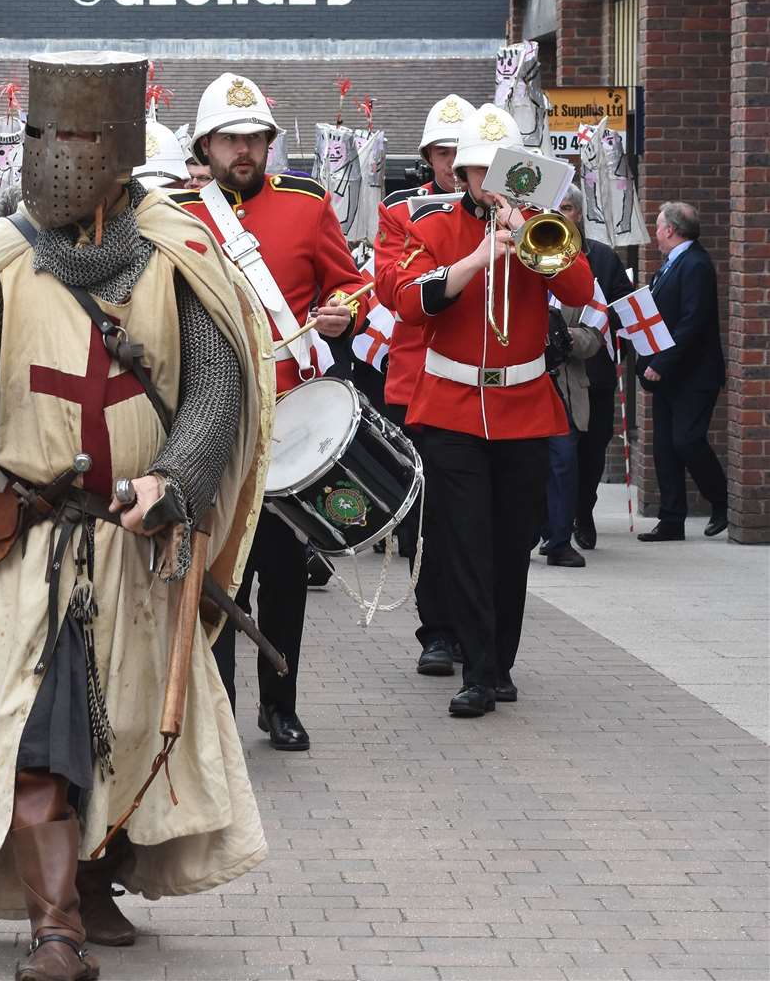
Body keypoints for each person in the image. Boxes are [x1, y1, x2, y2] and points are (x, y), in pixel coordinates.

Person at [0, 51, 269, 981]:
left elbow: (216, 394)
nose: (61, 156)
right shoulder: (3, 256)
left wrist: (175, 478)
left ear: (120, 149)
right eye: (47, 137)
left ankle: (93, 877)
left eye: (79, 138)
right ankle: (55, 929)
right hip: (25, 542)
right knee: (34, 727)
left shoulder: (177, 254)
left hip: (132, 542)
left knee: (121, 730)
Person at [171, 72, 367, 752]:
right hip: (210, 421)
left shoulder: (308, 205)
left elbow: (348, 282)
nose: (243, 150)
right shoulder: (176, 211)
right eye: (229, 139)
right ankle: (219, 708)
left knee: (283, 576)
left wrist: (345, 315)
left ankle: (279, 704)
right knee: (218, 573)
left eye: (253, 137)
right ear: (205, 143)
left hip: (289, 417)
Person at [389, 104, 594, 717]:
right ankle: (478, 672)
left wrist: (533, 237)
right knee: (467, 542)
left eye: (503, 171)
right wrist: (479, 258)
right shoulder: (431, 225)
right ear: (463, 175)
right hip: (450, 408)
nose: (489, 182)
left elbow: (582, 293)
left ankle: (501, 663)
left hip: (525, 406)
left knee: (512, 543)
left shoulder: (540, 226)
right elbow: (406, 301)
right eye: (479, 170)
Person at [374, 94, 474, 676]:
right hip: (419, 380)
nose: (455, 161)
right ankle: (437, 629)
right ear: (428, 157)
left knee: (477, 519)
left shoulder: (504, 207)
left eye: (465, 152)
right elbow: (396, 289)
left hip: (483, 384)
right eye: (445, 151)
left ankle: (476, 629)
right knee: (432, 518)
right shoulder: (403, 211)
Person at [636, 202, 728, 541]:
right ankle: (671, 520)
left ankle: (721, 500)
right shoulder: (670, 264)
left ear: (671, 230)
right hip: (670, 377)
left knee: (687, 441)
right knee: (664, 448)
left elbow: (693, 322)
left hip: (694, 375)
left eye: (658, 227)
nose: (655, 233)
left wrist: (661, 363)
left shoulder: (696, 264)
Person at [558, 186, 634, 550]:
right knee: (558, 454)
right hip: (553, 375)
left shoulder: (603, 257)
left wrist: (600, 314)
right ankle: (554, 521)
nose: (562, 215)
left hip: (596, 373)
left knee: (591, 452)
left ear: (580, 214)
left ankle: (583, 512)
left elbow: (624, 308)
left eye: (568, 208)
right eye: (555, 209)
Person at [539, 297, 602, 568]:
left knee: (563, 462)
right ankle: (530, 532)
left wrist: (562, 335)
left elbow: (595, 337)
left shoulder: (582, 283)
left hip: (562, 388)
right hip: (518, 385)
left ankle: (560, 542)